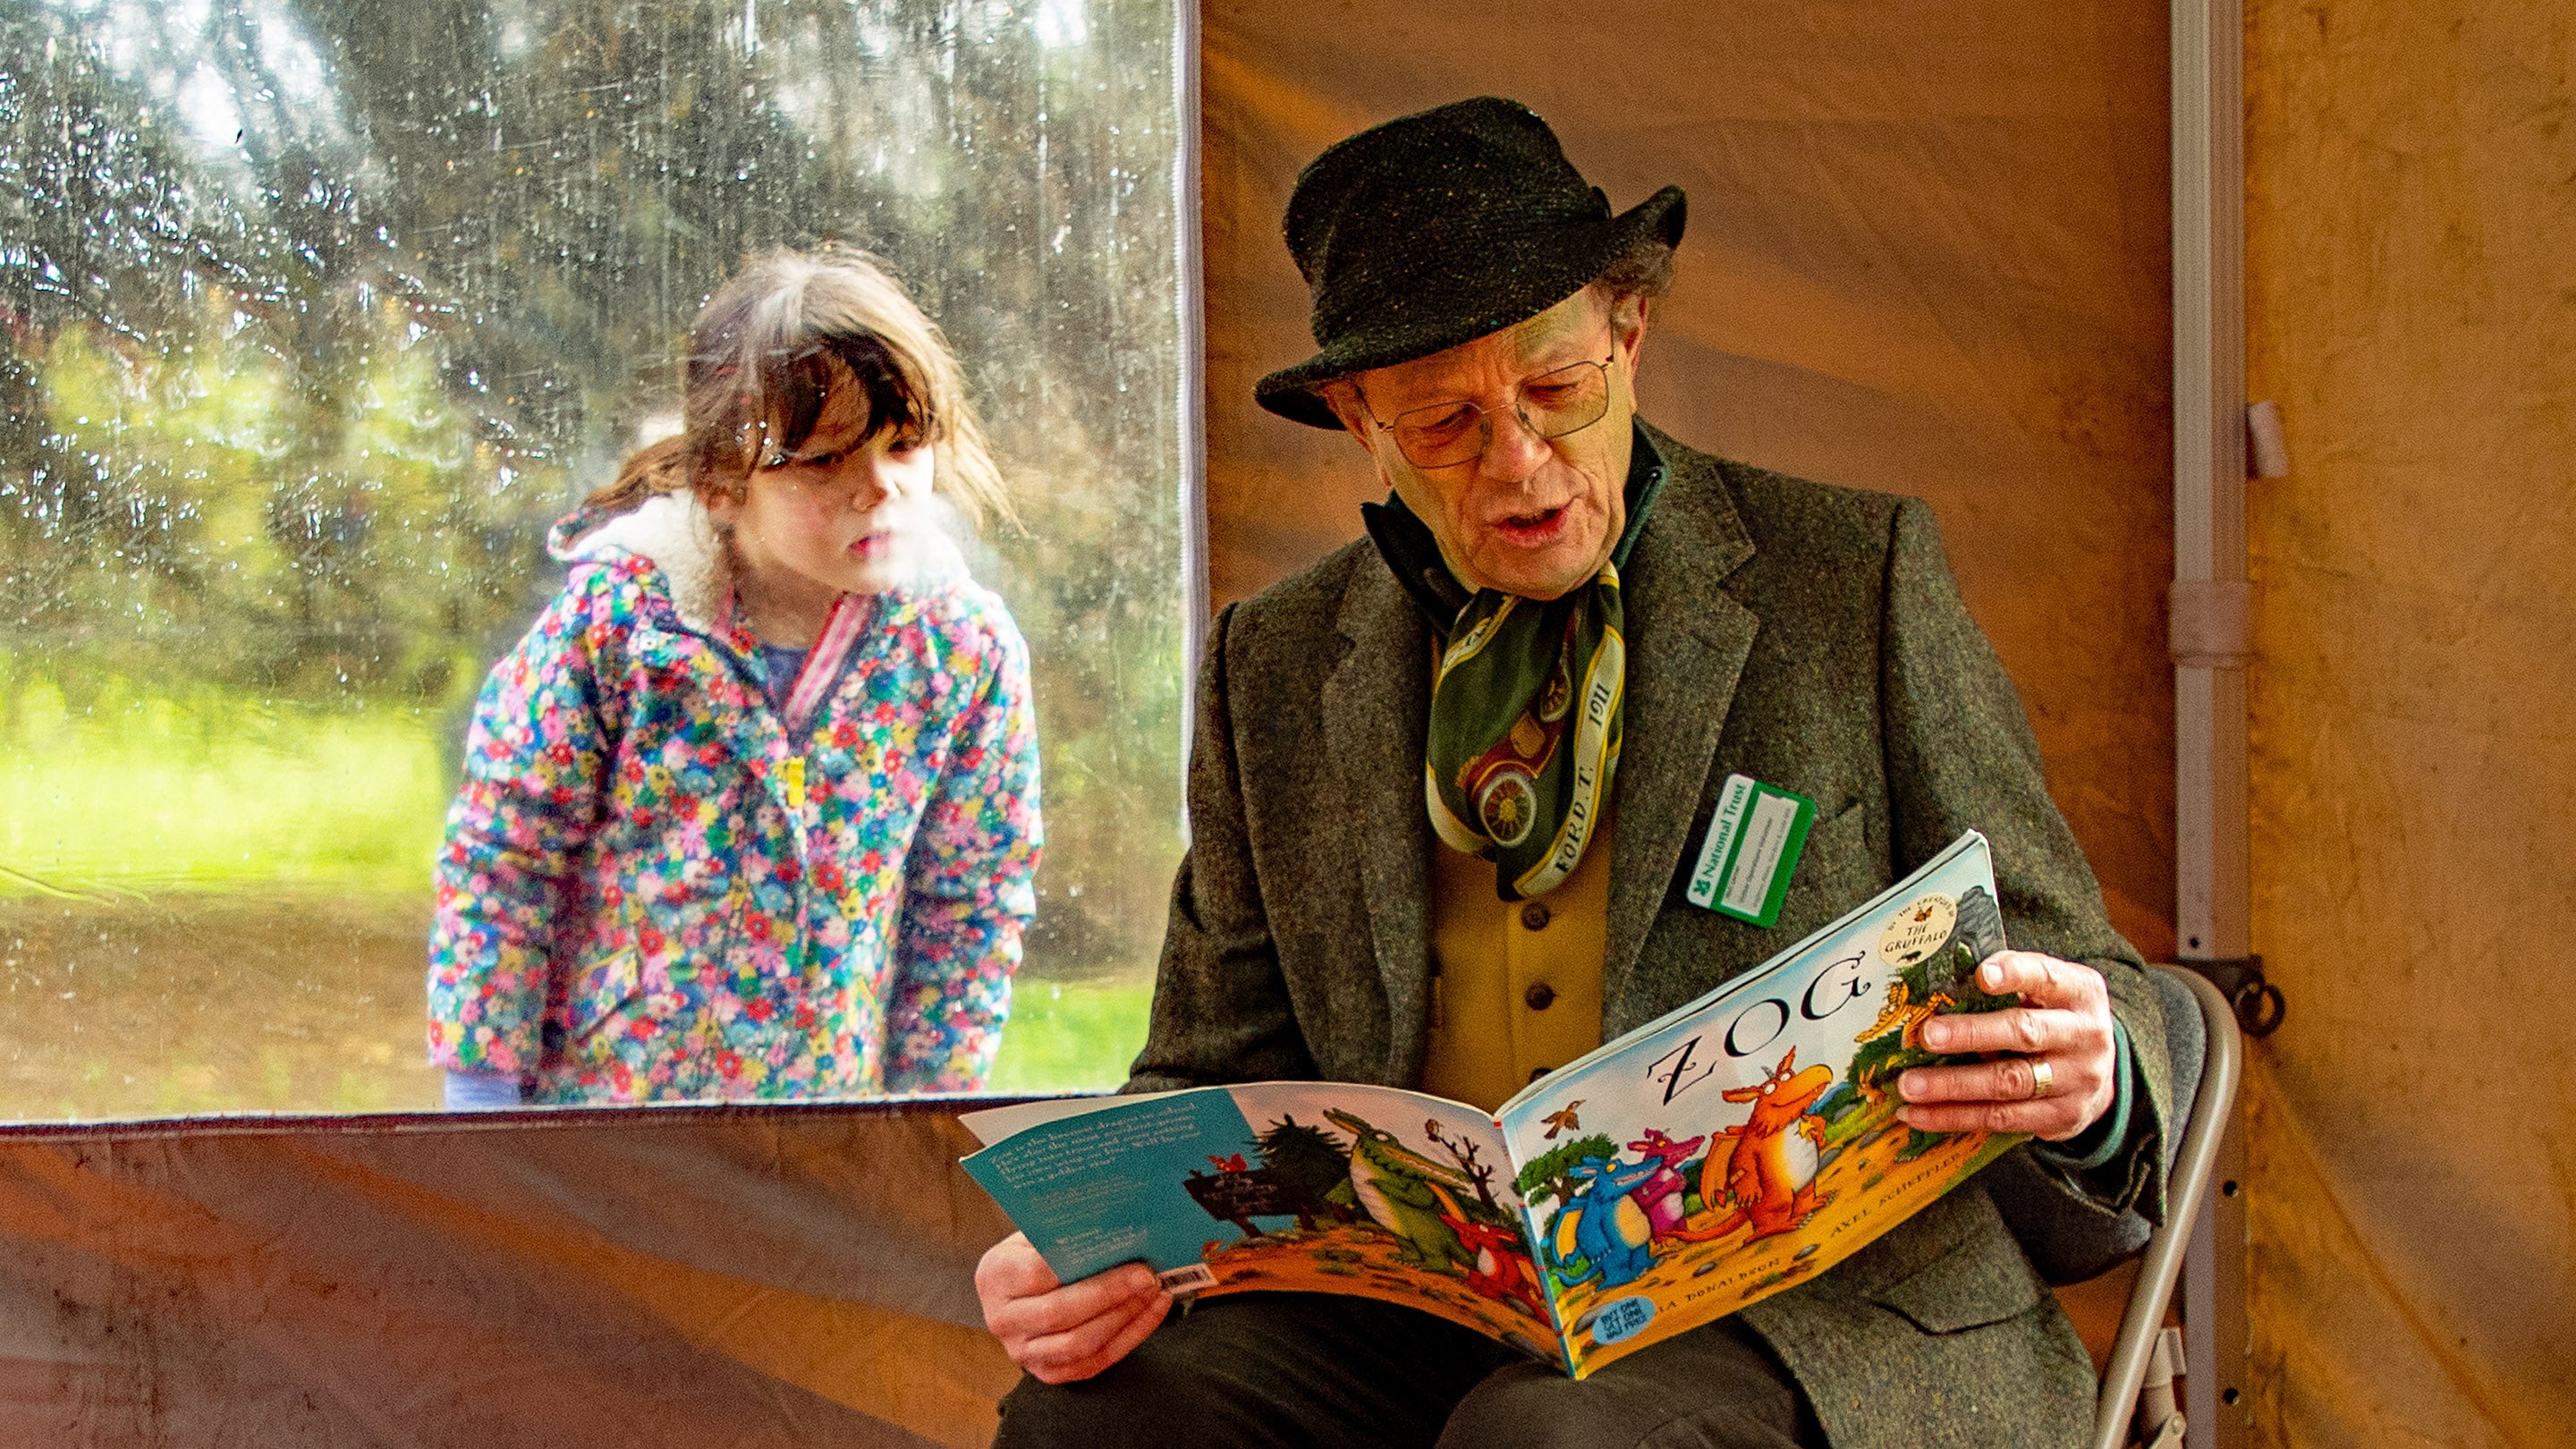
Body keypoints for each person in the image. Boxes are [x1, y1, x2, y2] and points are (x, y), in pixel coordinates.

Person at [976, 99, 2167, 1448]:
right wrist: (1092, 1242)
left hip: (1817, 1310)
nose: (1520, 464)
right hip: (1429, 1308)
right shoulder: (1276, 662)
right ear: (1355, 422)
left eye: (1556, 390)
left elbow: (2088, 975)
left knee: (1554, 1444)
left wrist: (2093, 1071)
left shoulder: (1855, 577)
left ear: (1630, 335)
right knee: (1100, 1416)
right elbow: (1207, 1070)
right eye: (1444, 423)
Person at [428, 243, 1042, 1107]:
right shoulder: (619, 627)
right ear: (721, 481)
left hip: (831, 1146)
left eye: (905, 446)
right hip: (605, 1140)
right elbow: (506, 860)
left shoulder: (962, 654)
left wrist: (928, 1119)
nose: (881, 488)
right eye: (826, 460)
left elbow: (969, 906)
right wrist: (482, 1102)